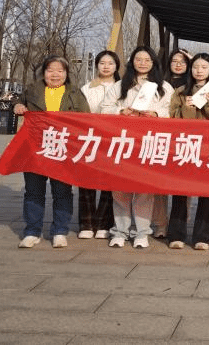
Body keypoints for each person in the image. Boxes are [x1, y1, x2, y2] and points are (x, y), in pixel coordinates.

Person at [13, 55, 90, 249]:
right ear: (44, 72)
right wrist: (18, 106)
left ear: (66, 73)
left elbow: (86, 120)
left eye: (60, 71)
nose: (55, 74)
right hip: (35, 148)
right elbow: (18, 102)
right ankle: (32, 231)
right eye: (50, 70)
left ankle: (59, 231)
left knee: (62, 192)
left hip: (63, 149)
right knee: (33, 191)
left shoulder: (75, 93)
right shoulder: (32, 90)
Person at [167, 52, 209, 250]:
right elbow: (172, 118)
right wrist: (187, 108)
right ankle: (176, 234)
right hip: (186, 146)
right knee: (180, 191)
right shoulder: (180, 91)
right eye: (196, 67)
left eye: (204, 67)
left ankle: (202, 237)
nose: (199, 71)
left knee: (207, 193)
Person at [109, 46, 174, 249]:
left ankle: (142, 232)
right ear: (132, 62)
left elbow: (171, 112)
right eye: (138, 59)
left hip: (150, 143)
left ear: (154, 63)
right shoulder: (120, 85)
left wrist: (156, 114)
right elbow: (105, 108)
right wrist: (121, 111)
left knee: (144, 189)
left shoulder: (164, 87)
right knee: (120, 189)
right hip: (124, 142)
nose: (143, 63)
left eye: (147, 60)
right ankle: (120, 231)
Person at [77, 50, 122, 240]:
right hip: (90, 137)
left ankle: (104, 223)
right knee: (85, 180)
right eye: (102, 63)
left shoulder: (122, 87)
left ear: (116, 66)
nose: (106, 67)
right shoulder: (86, 88)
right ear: (97, 65)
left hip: (113, 139)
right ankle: (86, 223)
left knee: (109, 182)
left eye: (110, 63)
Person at [151, 49, 190, 240]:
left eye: (183, 61)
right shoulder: (158, 83)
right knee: (159, 184)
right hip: (162, 137)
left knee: (184, 184)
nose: (178, 64)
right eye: (174, 61)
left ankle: (180, 223)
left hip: (185, 139)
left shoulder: (193, 84)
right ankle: (160, 224)